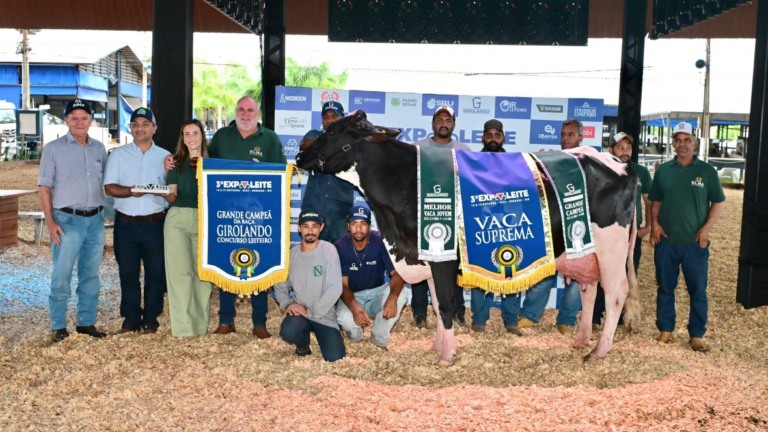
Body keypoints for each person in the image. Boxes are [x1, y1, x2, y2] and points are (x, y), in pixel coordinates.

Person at [207, 95, 286, 338]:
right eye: (241, 109)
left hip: (258, 215)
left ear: (258, 113)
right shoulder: (221, 136)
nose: (245, 114)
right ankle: (225, 320)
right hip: (226, 214)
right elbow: (205, 166)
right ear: (235, 112)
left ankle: (259, 323)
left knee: (257, 263)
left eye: (250, 110)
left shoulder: (270, 139)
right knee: (225, 262)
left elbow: (282, 173)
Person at [649, 121, 724, 352]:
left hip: (695, 244)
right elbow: (655, 202)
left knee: (698, 290)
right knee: (665, 287)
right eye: (678, 140)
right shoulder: (664, 171)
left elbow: (718, 202)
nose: (682, 145)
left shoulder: (707, 172)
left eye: (687, 140)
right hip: (667, 242)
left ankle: (697, 334)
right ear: (673, 143)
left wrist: (706, 229)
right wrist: (654, 225)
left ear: (695, 143)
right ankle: (665, 329)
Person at [38, 99, 108, 342]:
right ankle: (58, 325)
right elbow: (44, 187)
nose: (79, 122)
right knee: (62, 274)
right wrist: (50, 222)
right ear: (66, 121)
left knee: (90, 275)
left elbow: (107, 184)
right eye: (74, 118)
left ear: (91, 120)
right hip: (67, 220)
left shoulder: (99, 148)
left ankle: (86, 322)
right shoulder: (54, 149)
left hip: (96, 221)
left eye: (84, 117)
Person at [104, 107, 170, 334]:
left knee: (156, 273)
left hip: (155, 223)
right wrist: (131, 191)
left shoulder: (166, 157)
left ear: (154, 128)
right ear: (130, 128)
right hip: (126, 224)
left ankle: (151, 318)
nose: (139, 128)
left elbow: (172, 191)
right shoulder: (118, 154)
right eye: (135, 124)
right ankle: (131, 318)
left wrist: (165, 193)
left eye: (145, 124)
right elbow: (109, 187)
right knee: (128, 273)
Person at [517, 118, 585, 335]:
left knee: (576, 275)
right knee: (543, 270)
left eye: (571, 134)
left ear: (581, 137)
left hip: (578, 226)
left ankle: (566, 319)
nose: (565, 138)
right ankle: (530, 314)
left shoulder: (587, 162)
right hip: (552, 224)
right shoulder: (549, 160)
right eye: (563, 134)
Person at [411, 105, 471, 328]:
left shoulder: (463, 150)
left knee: (454, 267)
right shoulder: (417, 148)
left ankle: (458, 311)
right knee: (421, 264)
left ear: (453, 124)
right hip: (422, 217)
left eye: (448, 120)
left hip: (454, 219)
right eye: (439, 119)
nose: (443, 123)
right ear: (432, 123)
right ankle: (419, 313)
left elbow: (470, 183)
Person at [593, 131, 653, 327]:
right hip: (606, 233)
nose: (625, 152)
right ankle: (596, 315)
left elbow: (649, 201)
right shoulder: (602, 169)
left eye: (628, 148)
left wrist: (648, 226)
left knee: (629, 272)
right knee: (601, 272)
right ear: (612, 150)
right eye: (620, 148)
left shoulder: (640, 172)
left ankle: (619, 318)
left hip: (631, 234)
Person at [470, 119, 525, 335]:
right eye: (489, 135)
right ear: (483, 137)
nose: (493, 139)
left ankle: (511, 320)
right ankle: (479, 320)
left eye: (497, 135)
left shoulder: (514, 162)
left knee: (510, 267)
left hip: (507, 223)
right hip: (481, 223)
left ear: (503, 137)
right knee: (480, 270)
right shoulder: (472, 161)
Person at [274, 210, 346, 361]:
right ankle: (303, 343)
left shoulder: (329, 250)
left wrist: (311, 310)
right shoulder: (291, 255)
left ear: (321, 228)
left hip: (324, 313)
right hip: (300, 314)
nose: (310, 231)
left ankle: (333, 333)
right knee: (288, 330)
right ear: (299, 228)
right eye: (306, 226)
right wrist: (287, 304)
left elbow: (335, 288)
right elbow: (280, 286)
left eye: (315, 226)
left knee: (335, 357)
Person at [163, 119, 212, 337]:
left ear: (202, 135)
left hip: (206, 219)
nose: (191, 138)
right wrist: (163, 193)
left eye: (195, 133)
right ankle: (183, 329)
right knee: (180, 275)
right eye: (186, 134)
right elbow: (172, 195)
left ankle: (200, 327)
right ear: (182, 139)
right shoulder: (175, 162)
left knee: (203, 275)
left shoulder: (214, 163)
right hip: (178, 219)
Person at [334, 206, 407, 348]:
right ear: (348, 226)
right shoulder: (340, 246)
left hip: (376, 293)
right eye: (354, 224)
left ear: (369, 226)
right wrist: (354, 307)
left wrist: (392, 298)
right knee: (345, 320)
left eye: (363, 224)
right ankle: (356, 335)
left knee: (400, 295)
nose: (358, 228)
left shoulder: (380, 241)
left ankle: (379, 337)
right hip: (352, 295)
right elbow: (342, 285)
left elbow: (397, 274)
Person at [300, 100, 356, 243]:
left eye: (334, 116)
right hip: (313, 209)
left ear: (342, 119)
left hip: (340, 211)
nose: (329, 120)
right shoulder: (314, 134)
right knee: (312, 255)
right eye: (326, 117)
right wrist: (333, 138)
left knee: (341, 256)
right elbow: (305, 146)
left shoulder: (353, 141)